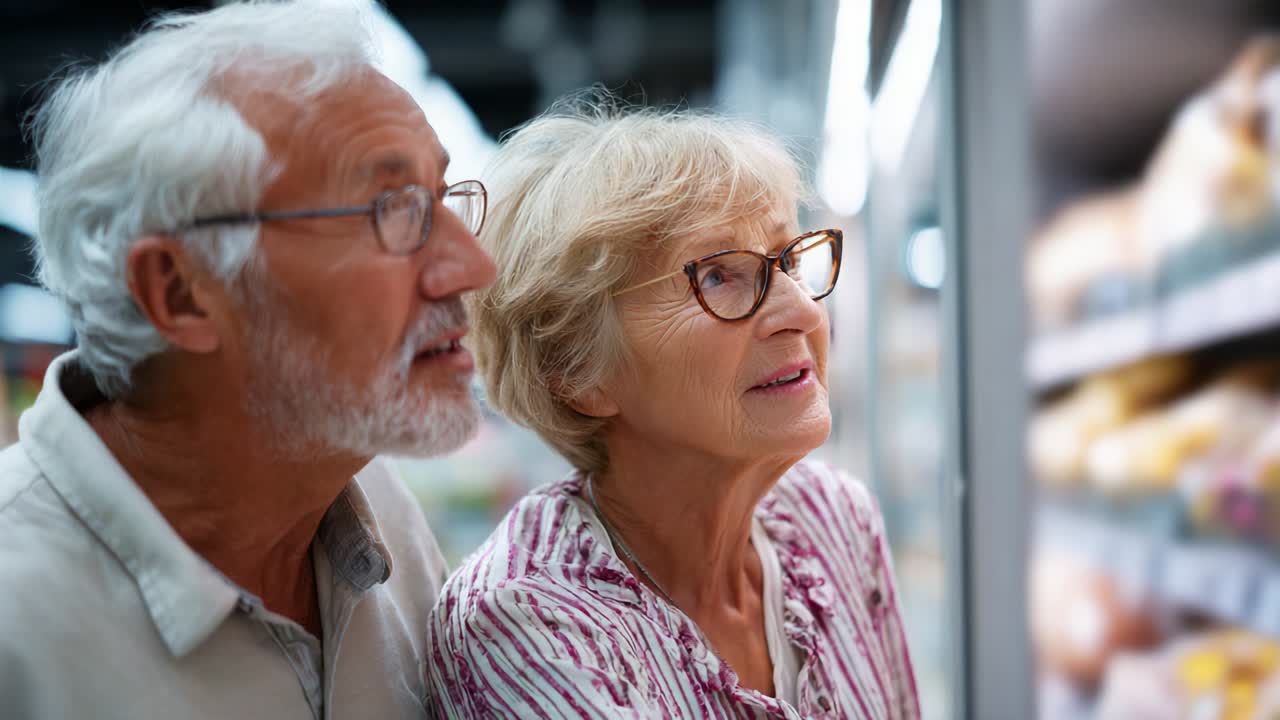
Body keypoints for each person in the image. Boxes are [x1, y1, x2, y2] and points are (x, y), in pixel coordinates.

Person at [0, 1, 496, 717]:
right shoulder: (20, 627)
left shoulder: (377, 511)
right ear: (181, 292)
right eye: (391, 208)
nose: (473, 265)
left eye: (445, 201)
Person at [427, 98, 920, 719]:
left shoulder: (833, 519)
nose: (802, 312)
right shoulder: (529, 621)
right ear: (578, 372)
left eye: (787, 260)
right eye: (718, 277)